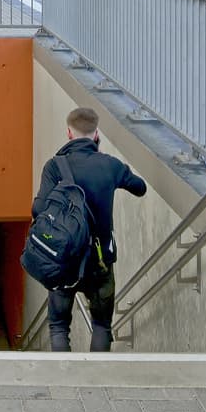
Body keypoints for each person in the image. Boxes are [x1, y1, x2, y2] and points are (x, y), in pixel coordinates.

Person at [32, 106, 148, 352]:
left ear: (69, 133)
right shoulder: (110, 166)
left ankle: (63, 381)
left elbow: (38, 209)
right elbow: (140, 188)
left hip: (64, 259)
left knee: (59, 326)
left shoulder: (55, 167)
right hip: (100, 260)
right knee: (102, 325)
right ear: (96, 134)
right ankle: (96, 379)